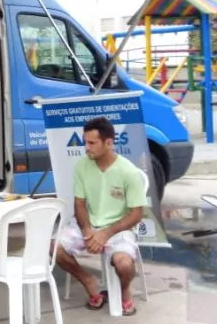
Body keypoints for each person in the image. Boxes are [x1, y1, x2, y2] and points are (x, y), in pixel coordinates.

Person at [54, 116, 146, 316]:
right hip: (88, 225)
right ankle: (89, 282)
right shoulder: (81, 166)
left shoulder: (128, 171)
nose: (86, 147)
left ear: (109, 143)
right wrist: (87, 231)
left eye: (92, 143)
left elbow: (137, 213)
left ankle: (124, 291)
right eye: (85, 142)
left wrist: (105, 234)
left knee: (124, 264)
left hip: (118, 228)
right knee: (54, 249)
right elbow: (79, 204)